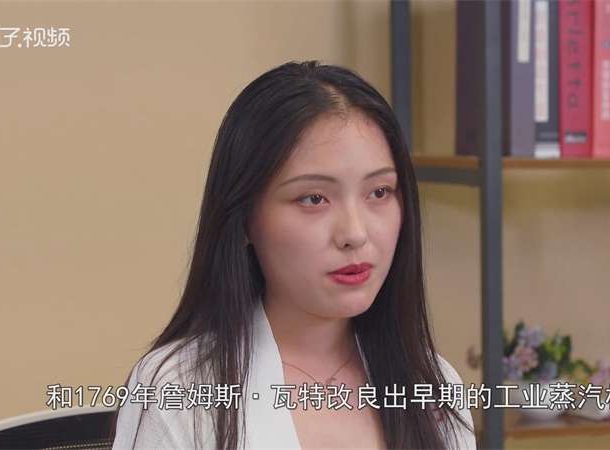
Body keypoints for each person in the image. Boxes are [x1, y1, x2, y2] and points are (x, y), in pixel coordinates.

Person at [112, 60, 476, 449]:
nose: (355, 234)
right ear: (245, 219)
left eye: (379, 192)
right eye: (314, 198)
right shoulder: (178, 390)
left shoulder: (432, 385)